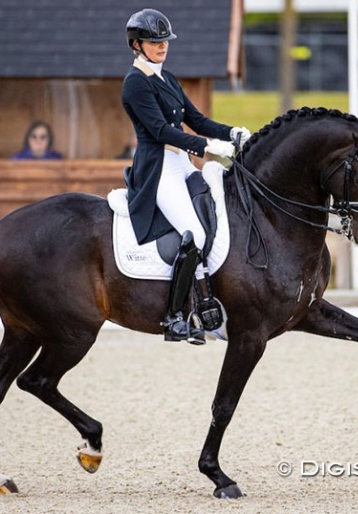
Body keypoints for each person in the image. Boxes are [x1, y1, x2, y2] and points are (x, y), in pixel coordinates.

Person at [122, 8, 251, 345]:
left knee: (218, 214)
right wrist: (209, 147)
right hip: (158, 168)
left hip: (181, 164)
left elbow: (196, 118)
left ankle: (212, 301)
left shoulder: (169, 78)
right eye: (154, 41)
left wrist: (232, 133)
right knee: (192, 234)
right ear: (137, 45)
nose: (162, 46)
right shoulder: (135, 83)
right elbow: (161, 131)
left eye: (164, 40)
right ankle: (174, 317)